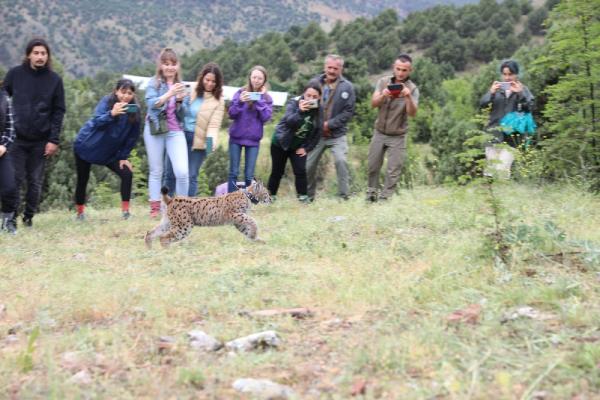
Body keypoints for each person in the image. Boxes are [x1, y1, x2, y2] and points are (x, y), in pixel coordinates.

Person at [3, 38, 66, 228]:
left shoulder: (55, 80)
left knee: (35, 183)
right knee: (13, 180)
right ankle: (10, 219)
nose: (40, 57)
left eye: (43, 53)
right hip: (16, 139)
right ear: (29, 54)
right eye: (36, 53)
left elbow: (59, 111)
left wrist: (53, 140)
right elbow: (2, 99)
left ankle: (28, 217)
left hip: (41, 140)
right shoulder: (15, 74)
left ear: (48, 56)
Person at [73, 79, 141, 220]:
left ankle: (126, 213)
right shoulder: (107, 102)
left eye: (129, 93)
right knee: (82, 179)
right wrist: (112, 114)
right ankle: (80, 214)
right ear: (116, 91)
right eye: (122, 92)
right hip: (87, 145)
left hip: (110, 152)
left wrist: (123, 156)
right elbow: (97, 121)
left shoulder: (134, 110)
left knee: (127, 174)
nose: (125, 96)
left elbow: (132, 137)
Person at [165, 62, 225, 197]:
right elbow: (179, 115)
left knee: (191, 175)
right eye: (207, 80)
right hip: (178, 135)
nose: (209, 84)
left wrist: (210, 145)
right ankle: (166, 206)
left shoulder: (219, 100)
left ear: (218, 83)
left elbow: (214, 126)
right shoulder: (190, 90)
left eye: (213, 81)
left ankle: (190, 209)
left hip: (198, 141)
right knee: (170, 173)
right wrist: (179, 102)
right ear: (202, 78)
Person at [366, 54, 419, 202]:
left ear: (410, 71)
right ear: (393, 68)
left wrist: (408, 97)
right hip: (379, 132)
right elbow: (373, 104)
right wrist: (383, 95)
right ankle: (371, 195)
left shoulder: (413, 89)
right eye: (398, 69)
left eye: (404, 70)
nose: (401, 73)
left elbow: (413, 113)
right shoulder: (382, 82)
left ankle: (385, 198)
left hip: (398, 135)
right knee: (372, 166)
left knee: (393, 170)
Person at [144, 48, 189, 217]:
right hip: (154, 130)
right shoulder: (154, 83)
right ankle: (156, 208)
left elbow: (184, 114)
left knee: (182, 172)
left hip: (175, 131)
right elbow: (151, 104)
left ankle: (182, 207)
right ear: (161, 66)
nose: (170, 67)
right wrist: (169, 94)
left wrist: (179, 102)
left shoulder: (182, 86)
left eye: (173, 64)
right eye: (166, 64)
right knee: (156, 170)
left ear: (178, 66)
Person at [306, 54, 355, 201]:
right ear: (324, 67)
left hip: (337, 134)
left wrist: (329, 124)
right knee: (307, 165)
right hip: (316, 135)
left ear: (341, 69)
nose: (332, 71)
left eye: (335, 68)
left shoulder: (348, 87)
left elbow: (348, 112)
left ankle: (343, 196)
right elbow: (305, 102)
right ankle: (307, 197)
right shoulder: (314, 82)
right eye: (329, 67)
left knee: (341, 161)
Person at [267, 80, 322, 202]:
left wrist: (307, 148)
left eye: (315, 97)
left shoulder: (319, 110)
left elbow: (318, 131)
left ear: (319, 97)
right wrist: (300, 111)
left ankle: (303, 198)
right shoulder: (293, 103)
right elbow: (289, 121)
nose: (311, 99)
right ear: (304, 94)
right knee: (277, 172)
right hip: (281, 142)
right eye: (308, 95)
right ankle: (270, 197)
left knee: (300, 171)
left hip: (298, 145)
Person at [480, 59, 535, 178]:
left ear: (516, 74)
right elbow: (482, 105)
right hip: (493, 134)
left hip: (512, 138)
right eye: (504, 74)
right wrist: (491, 93)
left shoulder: (523, 90)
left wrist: (520, 94)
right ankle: (489, 195)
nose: (507, 77)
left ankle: (502, 194)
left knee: (502, 170)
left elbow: (529, 107)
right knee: (490, 170)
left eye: (510, 74)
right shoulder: (496, 90)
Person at [227, 66, 273, 192]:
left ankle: (248, 203)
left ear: (264, 81)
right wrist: (240, 102)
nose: (256, 80)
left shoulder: (267, 98)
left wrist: (259, 99)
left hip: (253, 141)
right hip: (236, 138)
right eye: (254, 77)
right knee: (233, 172)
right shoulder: (240, 92)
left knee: (249, 175)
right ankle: (229, 203)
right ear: (250, 78)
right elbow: (231, 114)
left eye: (260, 78)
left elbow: (266, 117)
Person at [0, 83, 17, 233]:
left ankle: (7, 223)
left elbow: (10, 128)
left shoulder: (4, 97)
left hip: (1, 150)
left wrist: (3, 146)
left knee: (9, 187)